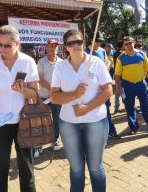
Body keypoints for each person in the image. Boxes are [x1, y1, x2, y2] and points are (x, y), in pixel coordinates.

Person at [0, 25, 39, 192]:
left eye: (7, 45)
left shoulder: (28, 62)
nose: (3, 49)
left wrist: (24, 90)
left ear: (17, 43)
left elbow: (35, 95)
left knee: (26, 169)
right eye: (0, 45)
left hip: (24, 122)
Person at [51, 29, 113, 192]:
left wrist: (86, 108)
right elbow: (54, 97)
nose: (76, 45)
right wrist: (74, 94)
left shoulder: (96, 62)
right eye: (71, 43)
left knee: (95, 167)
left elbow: (108, 91)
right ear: (66, 47)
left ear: (84, 43)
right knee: (77, 168)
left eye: (79, 42)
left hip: (96, 122)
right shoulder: (60, 67)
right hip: (69, 124)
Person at [115, 36, 148, 137]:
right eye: (126, 44)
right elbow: (117, 75)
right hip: (127, 86)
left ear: (134, 43)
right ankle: (133, 128)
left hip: (141, 85)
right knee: (129, 108)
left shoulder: (142, 54)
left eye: (130, 43)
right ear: (124, 45)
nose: (128, 45)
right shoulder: (121, 58)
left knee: (147, 107)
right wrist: (118, 86)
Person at [85, 32, 120, 139]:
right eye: (97, 41)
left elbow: (106, 64)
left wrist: (106, 67)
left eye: (101, 41)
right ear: (92, 40)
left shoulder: (103, 51)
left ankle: (110, 130)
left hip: (102, 85)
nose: (99, 43)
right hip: (90, 87)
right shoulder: (85, 51)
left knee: (106, 108)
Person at [37, 39, 62, 155]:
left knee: (57, 119)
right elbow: (40, 79)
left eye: (55, 46)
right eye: (50, 46)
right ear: (46, 48)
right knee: (43, 121)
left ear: (58, 48)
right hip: (43, 97)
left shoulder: (62, 62)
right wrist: (52, 90)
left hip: (57, 97)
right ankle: (40, 143)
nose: (52, 49)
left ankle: (55, 140)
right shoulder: (41, 62)